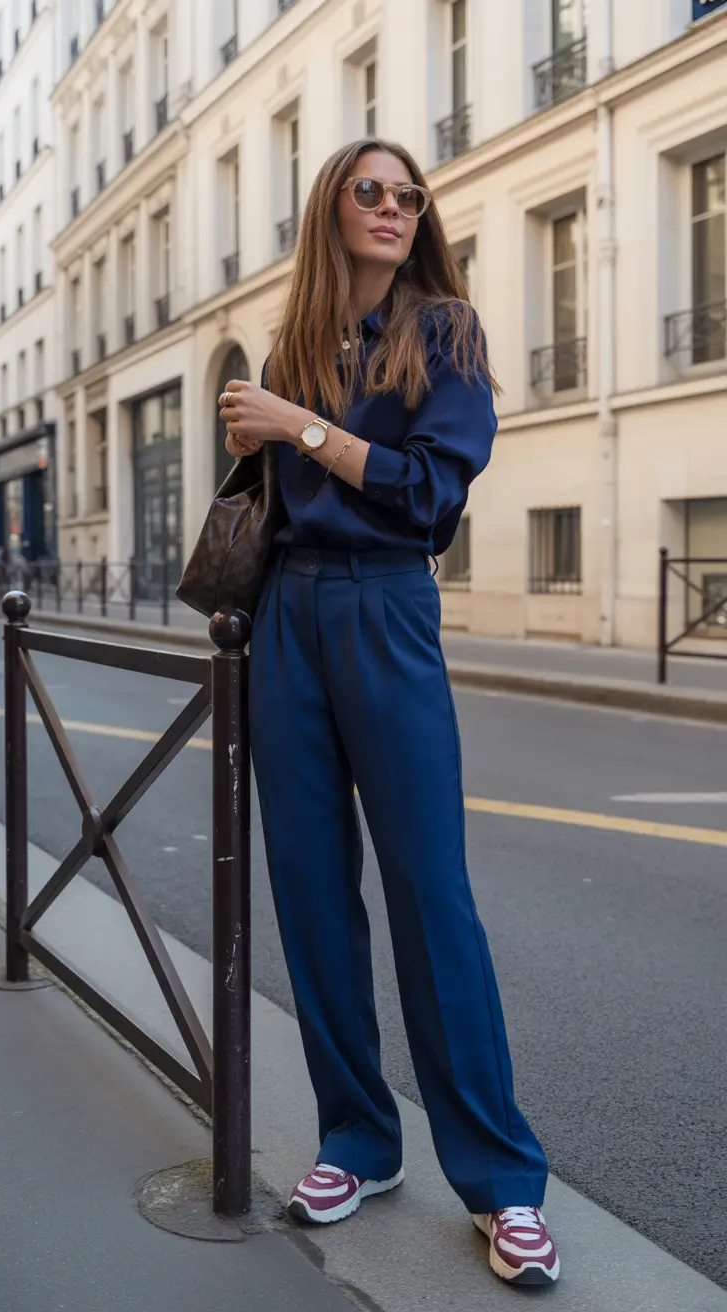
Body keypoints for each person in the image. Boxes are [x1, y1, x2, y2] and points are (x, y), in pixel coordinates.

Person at [218, 138, 560, 1288]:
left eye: (409, 195)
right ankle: (357, 1138)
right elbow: (274, 493)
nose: (394, 208)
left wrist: (298, 429)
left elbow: (427, 492)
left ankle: (503, 1181)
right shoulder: (296, 345)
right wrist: (265, 426)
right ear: (330, 207)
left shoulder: (445, 331)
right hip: (287, 621)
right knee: (312, 893)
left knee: (429, 893)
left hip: (385, 609)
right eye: (370, 190)